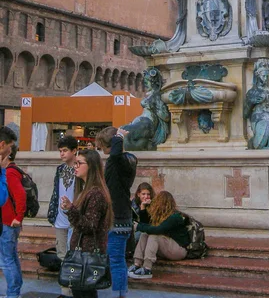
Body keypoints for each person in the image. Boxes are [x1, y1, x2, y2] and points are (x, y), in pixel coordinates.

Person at [60, 149, 113, 298]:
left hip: (87, 254)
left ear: (91, 166)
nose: (75, 166)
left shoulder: (95, 193)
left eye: (79, 163)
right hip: (84, 253)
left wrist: (71, 209)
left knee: (84, 292)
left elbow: (90, 226)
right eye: (75, 163)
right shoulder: (87, 190)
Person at [96, 127, 137, 298]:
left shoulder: (116, 160)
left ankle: (118, 295)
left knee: (116, 261)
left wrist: (118, 136)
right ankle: (119, 293)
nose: (102, 152)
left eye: (102, 147)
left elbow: (114, 154)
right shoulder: (130, 160)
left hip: (117, 219)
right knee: (117, 259)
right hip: (123, 217)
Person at [128, 191, 189, 279]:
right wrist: (143, 208)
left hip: (179, 250)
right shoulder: (160, 215)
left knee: (154, 236)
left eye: (157, 201)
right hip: (168, 248)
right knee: (145, 234)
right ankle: (137, 264)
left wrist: (138, 226)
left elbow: (158, 230)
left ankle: (147, 268)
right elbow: (146, 225)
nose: (155, 203)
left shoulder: (175, 217)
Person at [47, 135, 79, 298]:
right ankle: (65, 291)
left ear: (74, 151)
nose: (62, 154)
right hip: (60, 218)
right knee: (62, 255)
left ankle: (73, 290)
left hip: (75, 219)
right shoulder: (60, 169)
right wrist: (52, 213)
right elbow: (56, 192)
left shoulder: (81, 168)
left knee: (73, 256)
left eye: (65, 150)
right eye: (60, 151)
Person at [0, 138, 24, 298]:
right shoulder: (11, 171)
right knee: (11, 257)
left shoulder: (10, 172)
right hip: (9, 221)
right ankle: (15, 289)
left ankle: (13, 293)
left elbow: (20, 195)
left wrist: (18, 216)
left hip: (8, 222)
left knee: (6, 259)